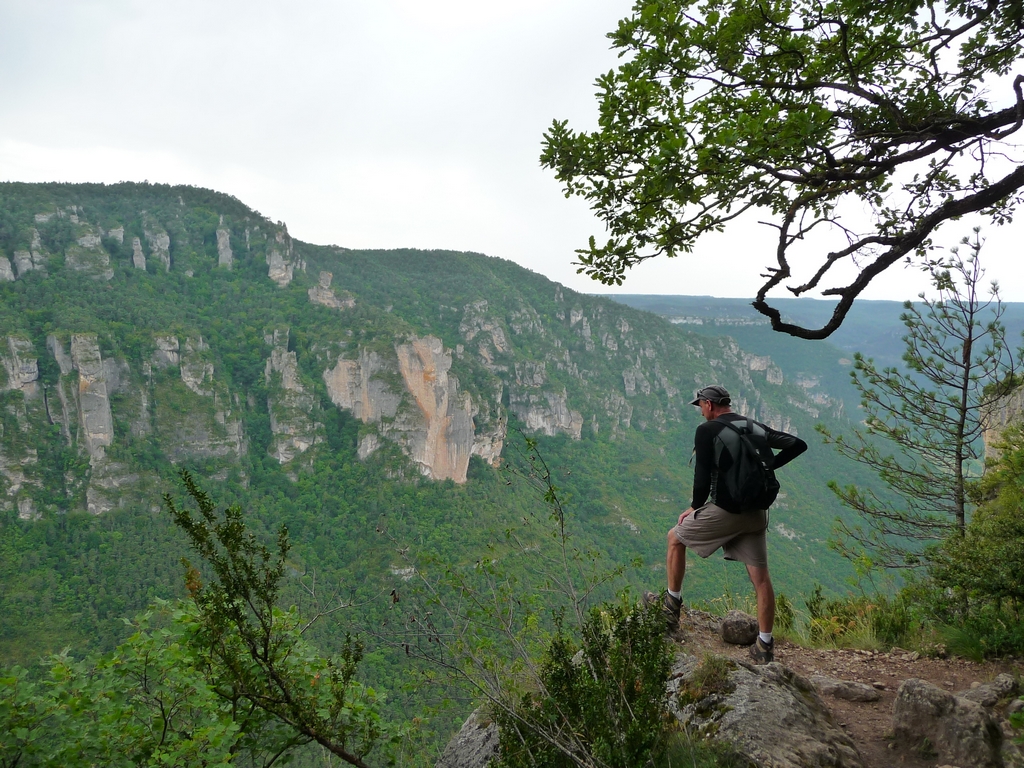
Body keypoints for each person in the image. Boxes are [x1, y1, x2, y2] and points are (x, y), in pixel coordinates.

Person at [646, 385, 807, 663]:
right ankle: (765, 646)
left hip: (727, 511)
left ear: (709, 404)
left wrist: (695, 507)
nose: (700, 410)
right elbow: (797, 444)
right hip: (757, 513)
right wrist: (767, 467)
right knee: (761, 579)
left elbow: (702, 475)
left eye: (700, 405)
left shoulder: (707, 431)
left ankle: (670, 609)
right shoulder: (752, 425)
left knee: (674, 537)